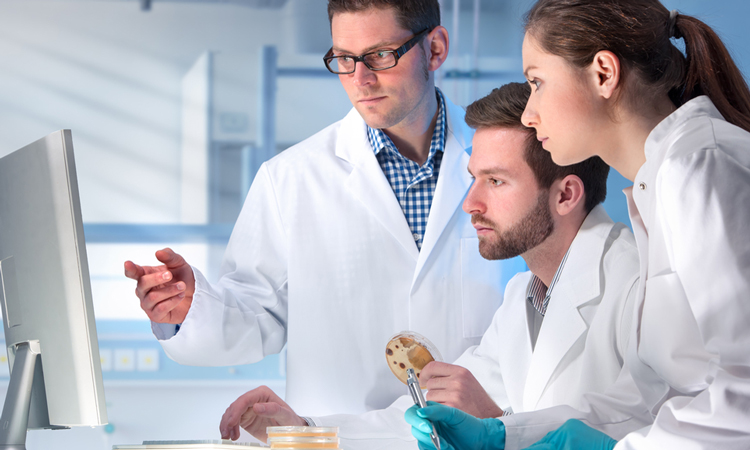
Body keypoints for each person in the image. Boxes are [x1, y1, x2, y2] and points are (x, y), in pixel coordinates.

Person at [122, 0, 506, 417]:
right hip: (342, 440)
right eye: (344, 59)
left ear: (434, 49)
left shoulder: (509, 164)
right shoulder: (289, 178)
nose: (360, 79)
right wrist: (190, 308)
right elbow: (256, 315)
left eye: (380, 55)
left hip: (482, 435)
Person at [218, 83, 651, 449]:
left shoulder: (638, 283)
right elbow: (421, 420)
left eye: (495, 181)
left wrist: (499, 427)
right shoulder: (523, 296)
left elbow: (658, 427)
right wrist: (304, 433)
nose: (471, 203)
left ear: (566, 195)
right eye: (473, 178)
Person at [408, 0, 750, 449]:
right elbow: (646, 400)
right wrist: (503, 435)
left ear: (604, 74)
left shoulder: (700, 166)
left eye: (537, 82)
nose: (530, 113)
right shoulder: (661, 184)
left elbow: (742, 395)